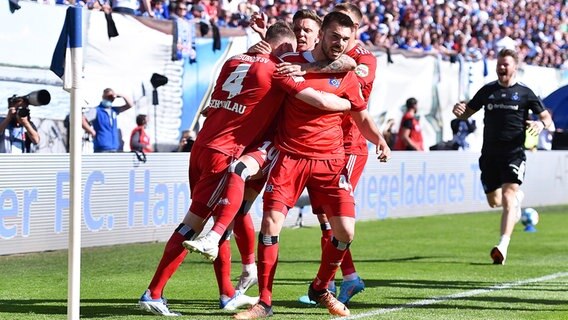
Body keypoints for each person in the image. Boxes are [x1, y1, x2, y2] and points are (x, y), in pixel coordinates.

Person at [138, 21, 355, 316]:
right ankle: (154, 292)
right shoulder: (277, 69)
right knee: (195, 223)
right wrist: (346, 104)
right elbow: (316, 94)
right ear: (282, 48)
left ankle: (227, 292)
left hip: (203, 144)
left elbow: (212, 106)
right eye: (290, 49)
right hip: (226, 151)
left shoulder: (234, 60)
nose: (295, 53)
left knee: (227, 213)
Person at [234, 12, 390, 319]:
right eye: (335, 37)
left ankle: (320, 288)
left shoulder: (345, 70)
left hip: (331, 161)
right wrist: (346, 102)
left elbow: (362, 116)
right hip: (290, 157)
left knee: (345, 231)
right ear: (321, 35)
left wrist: (380, 140)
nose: (340, 44)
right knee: (269, 225)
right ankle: (264, 302)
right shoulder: (289, 63)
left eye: (346, 39)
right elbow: (318, 101)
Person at [452, 48, 552, 265]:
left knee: (508, 195)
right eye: (499, 64)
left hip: (514, 154)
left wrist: (540, 123)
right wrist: (459, 110)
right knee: (494, 201)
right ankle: (516, 204)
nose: (501, 67)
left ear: (515, 67)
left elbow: (547, 118)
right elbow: (468, 111)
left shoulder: (525, 93)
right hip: (489, 155)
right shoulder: (488, 91)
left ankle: (502, 247)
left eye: (506, 64)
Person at [85, 88, 134, 153]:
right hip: (101, 147)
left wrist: (121, 95)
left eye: (110, 98)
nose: (109, 99)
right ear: (103, 97)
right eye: (107, 97)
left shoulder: (113, 111)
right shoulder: (96, 110)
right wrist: (91, 131)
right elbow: (82, 119)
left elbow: (130, 105)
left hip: (114, 147)